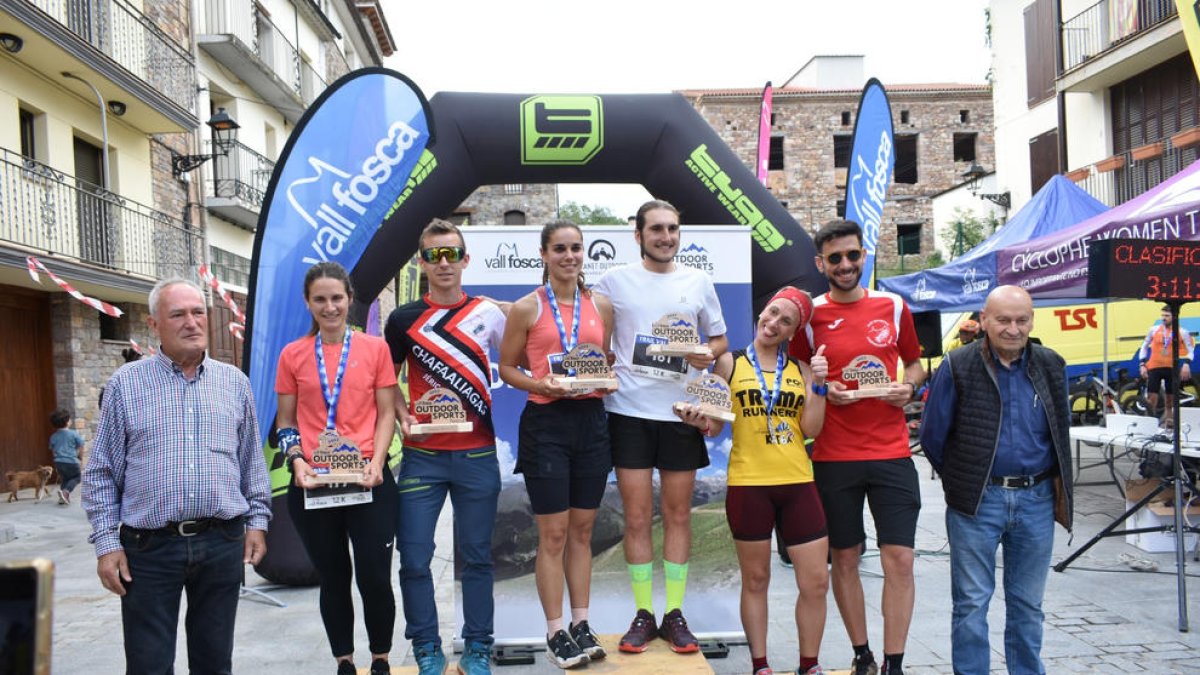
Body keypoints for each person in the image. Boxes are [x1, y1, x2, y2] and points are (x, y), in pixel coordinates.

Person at [82, 278, 271, 675]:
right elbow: (100, 472)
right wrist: (105, 544)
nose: (191, 322)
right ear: (154, 325)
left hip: (222, 541)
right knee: (149, 665)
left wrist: (257, 521)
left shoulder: (234, 383)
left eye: (198, 312)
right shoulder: (126, 385)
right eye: (178, 314)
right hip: (148, 550)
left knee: (215, 662)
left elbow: (251, 460)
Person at [592, 199, 728, 654]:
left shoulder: (698, 281)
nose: (666, 236)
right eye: (656, 229)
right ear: (638, 235)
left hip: (681, 413)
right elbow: (591, 335)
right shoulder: (613, 281)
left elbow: (720, 340)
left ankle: (673, 613)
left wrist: (706, 355)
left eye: (672, 228)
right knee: (634, 517)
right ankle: (643, 614)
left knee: (676, 515)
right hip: (627, 410)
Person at [789, 220, 924, 675]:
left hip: (891, 452)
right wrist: (824, 391)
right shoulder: (810, 316)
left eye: (852, 255)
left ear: (864, 255)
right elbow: (802, 378)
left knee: (900, 559)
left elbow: (914, 364)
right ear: (819, 263)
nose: (845, 265)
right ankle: (862, 654)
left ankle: (895, 662)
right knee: (845, 558)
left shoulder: (894, 305)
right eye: (835, 258)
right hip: (833, 456)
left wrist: (907, 389)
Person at [919, 285, 1072, 675]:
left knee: (1027, 604)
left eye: (1022, 320)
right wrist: (965, 481)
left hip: (1036, 499)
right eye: (1003, 320)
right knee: (971, 603)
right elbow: (932, 436)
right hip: (978, 501)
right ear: (984, 320)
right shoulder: (958, 365)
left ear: (1032, 320)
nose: (1013, 328)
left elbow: (1059, 431)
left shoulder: (1052, 364)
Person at [677, 287, 830, 675]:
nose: (774, 323)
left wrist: (821, 388)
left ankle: (809, 664)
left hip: (797, 481)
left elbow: (811, 428)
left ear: (794, 331)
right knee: (756, 579)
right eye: (772, 313)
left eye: (786, 321)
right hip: (749, 483)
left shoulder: (803, 371)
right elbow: (713, 426)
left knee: (814, 582)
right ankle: (760, 665)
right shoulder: (729, 362)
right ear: (763, 310)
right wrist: (698, 422)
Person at [385, 218, 507, 675]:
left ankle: (477, 647)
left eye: (451, 253)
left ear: (464, 259)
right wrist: (401, 416)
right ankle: (427, 648)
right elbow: (385, 381)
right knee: (413, 557)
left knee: (476, 558)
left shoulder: (487, 313)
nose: (443, 263)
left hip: (478, 455)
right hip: (423, 457)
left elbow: (519, 354)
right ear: (422, 261)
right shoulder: (403, 319)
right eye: (434, 254)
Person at [499, 220, 616, 669]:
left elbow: (601, 362)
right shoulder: (526, 308)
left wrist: (604, 381)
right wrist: (541, 385)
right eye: (560, 248)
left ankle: (581, 623)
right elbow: (507, 368)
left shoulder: (600, 305)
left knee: (584, 531)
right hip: (545, 421)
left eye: (576, 248)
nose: (569, 256)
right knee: (553, 533)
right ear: (544, 254)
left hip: (590, 421)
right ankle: (554, 631)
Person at [275, 262, 398, 675]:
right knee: (333, 576)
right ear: (308, 304)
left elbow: (385, 414)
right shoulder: (292, 355)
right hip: (313, 483)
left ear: (349, 299)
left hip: (368, 479)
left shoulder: (375, 348)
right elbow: (286, 421)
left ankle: (380, 658)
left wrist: (377, 463)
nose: (330, 307)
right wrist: (295, 461)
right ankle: (344, 660)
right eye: (320, 299)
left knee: (376, 577)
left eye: (337, 298)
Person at [1138, 304, 1195, 424]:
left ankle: (1169, 425)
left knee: (1170, 401)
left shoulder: (1182, 332)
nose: (1164, 318)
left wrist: (1186, 364)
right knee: (1152, 398)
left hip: (1171, 369)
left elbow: (1190, 351)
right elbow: (1143, 346)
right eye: (1163, 315)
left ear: (1174, 317)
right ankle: (1148, 424)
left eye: (1167, 316)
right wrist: (1142, 364)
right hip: (1154, 367)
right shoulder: (1154, 330)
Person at [48, 408, 84, 505]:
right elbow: (81, 446)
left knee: (65, 479)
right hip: (71, 461)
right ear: (67, 422)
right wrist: (80, 458)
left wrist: (56, 461)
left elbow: (53, 451)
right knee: (77, 477)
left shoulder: (53, 436)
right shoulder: (73, 434)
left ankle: (63, 498)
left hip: (59, 462)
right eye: (69, 419)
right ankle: (66, 492)